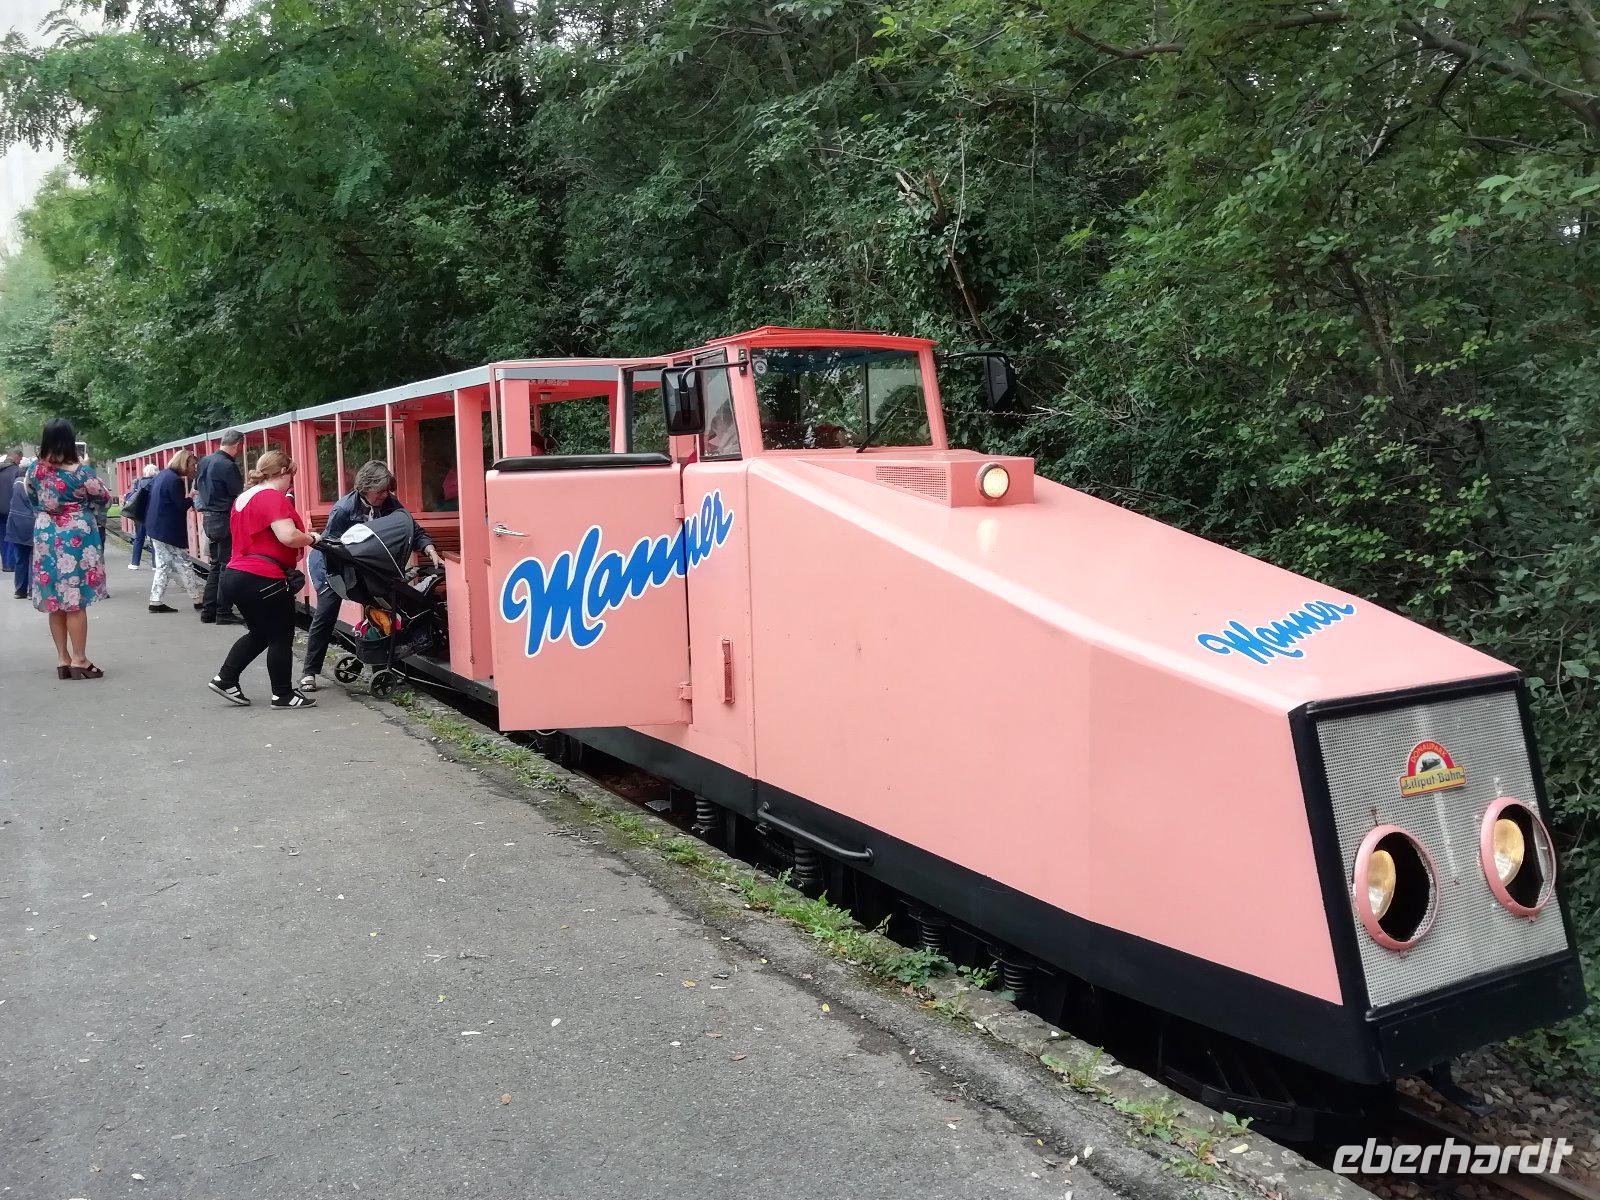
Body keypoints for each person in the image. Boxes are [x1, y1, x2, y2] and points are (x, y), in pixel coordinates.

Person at [300, 460, 441, 691]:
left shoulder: (389, 502)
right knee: (325, 615)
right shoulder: (344, 509)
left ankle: (379, 669)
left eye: (388, 490)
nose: (385, 495)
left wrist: (429, 548)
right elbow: (329, 546)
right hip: (331, 565)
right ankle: (309, 673)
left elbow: (411, 528)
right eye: (381, 491)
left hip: (364, 565)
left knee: (377, 611)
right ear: (365, 488)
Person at [208, 449, 318, 708]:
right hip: (264, 577)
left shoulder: (243, 498)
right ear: (284, 473)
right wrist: (313, 538)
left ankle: (226, 678)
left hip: (236, 574)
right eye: (292, 475)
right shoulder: (273, 497)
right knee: (281, 636)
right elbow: (288, 536)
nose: (292, 481)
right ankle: (283, 694)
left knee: (259, 633)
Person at [23, 419, 111, 679]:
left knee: (55, 601)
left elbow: (32, 499)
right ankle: (80, 659)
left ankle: (63, 659)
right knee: (75, 601)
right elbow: (104, 497)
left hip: (45, 535)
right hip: (76, 537)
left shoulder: (34, 471)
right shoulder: (81, 472)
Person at [194, 430, 245, 624]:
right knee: (226, 566)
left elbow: (198, 488)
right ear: (238, 444)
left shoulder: (205, 461)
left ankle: (209, 611)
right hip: (224, 518)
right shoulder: (227, 465)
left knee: (216, 565)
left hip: (209, 518)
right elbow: (237, 493)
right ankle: (223, 611)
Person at [145, 449, 202, 613]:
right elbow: (180, 506)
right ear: (184, 463)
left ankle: (155, 601)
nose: (194, 468)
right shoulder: (175, 481)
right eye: (192, 465)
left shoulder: (162, 475)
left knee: (163, 566)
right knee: (185, 563)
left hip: (156, 529)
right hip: (168, 531)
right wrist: (191, 497)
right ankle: (197, 600)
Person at [6, 458, 33, 599]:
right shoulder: (33, 483)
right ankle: (32, 590)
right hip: (32, 524)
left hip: (16, 524)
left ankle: (20, 589)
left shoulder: (16, 483)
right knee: (34, 558)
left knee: (20, 558)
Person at [124, 463, 158, 568]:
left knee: (138, 538)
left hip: (139, 514)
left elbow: (133, 496)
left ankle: (135, 563)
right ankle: (155, 565)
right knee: (154, 541)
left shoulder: (138, 482)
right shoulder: (157, 482)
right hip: (153, 514)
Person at [0, 447, 20, 572]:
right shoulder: (16, 471)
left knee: (2, 537)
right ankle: (10, 563)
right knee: (11, 536)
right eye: (20, 458)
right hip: (10, 509)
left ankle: (5, 563)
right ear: (16, 457)